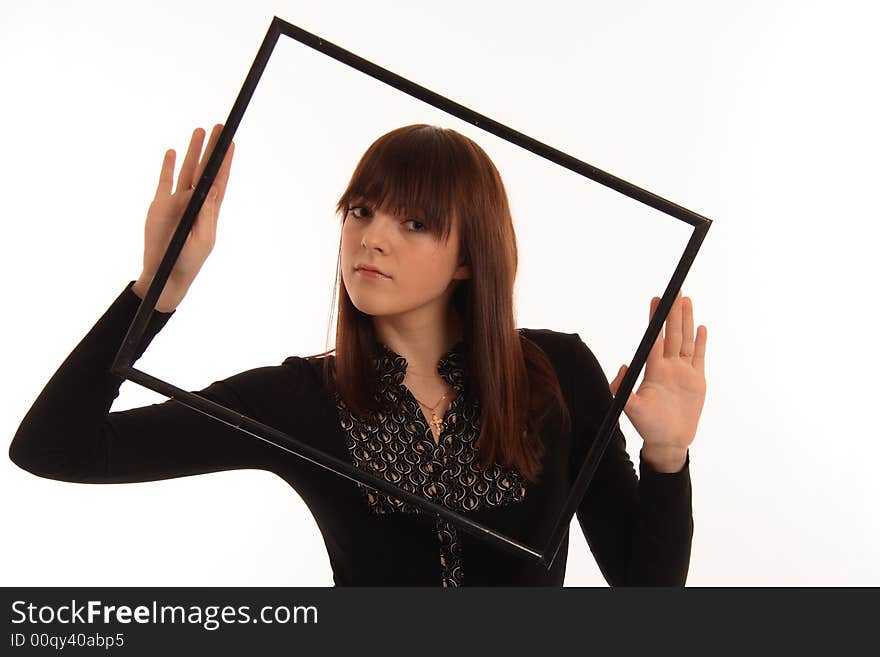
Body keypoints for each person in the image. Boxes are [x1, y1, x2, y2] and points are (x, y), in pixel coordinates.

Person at [8, 123, 708, 586]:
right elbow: (54, 447)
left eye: (414, 221)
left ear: (470, 257)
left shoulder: (559, 374)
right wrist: (155, 288)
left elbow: (647, 590)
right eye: (360, 210)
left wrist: (667, 457)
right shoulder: (298, 398)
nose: (371, 237)